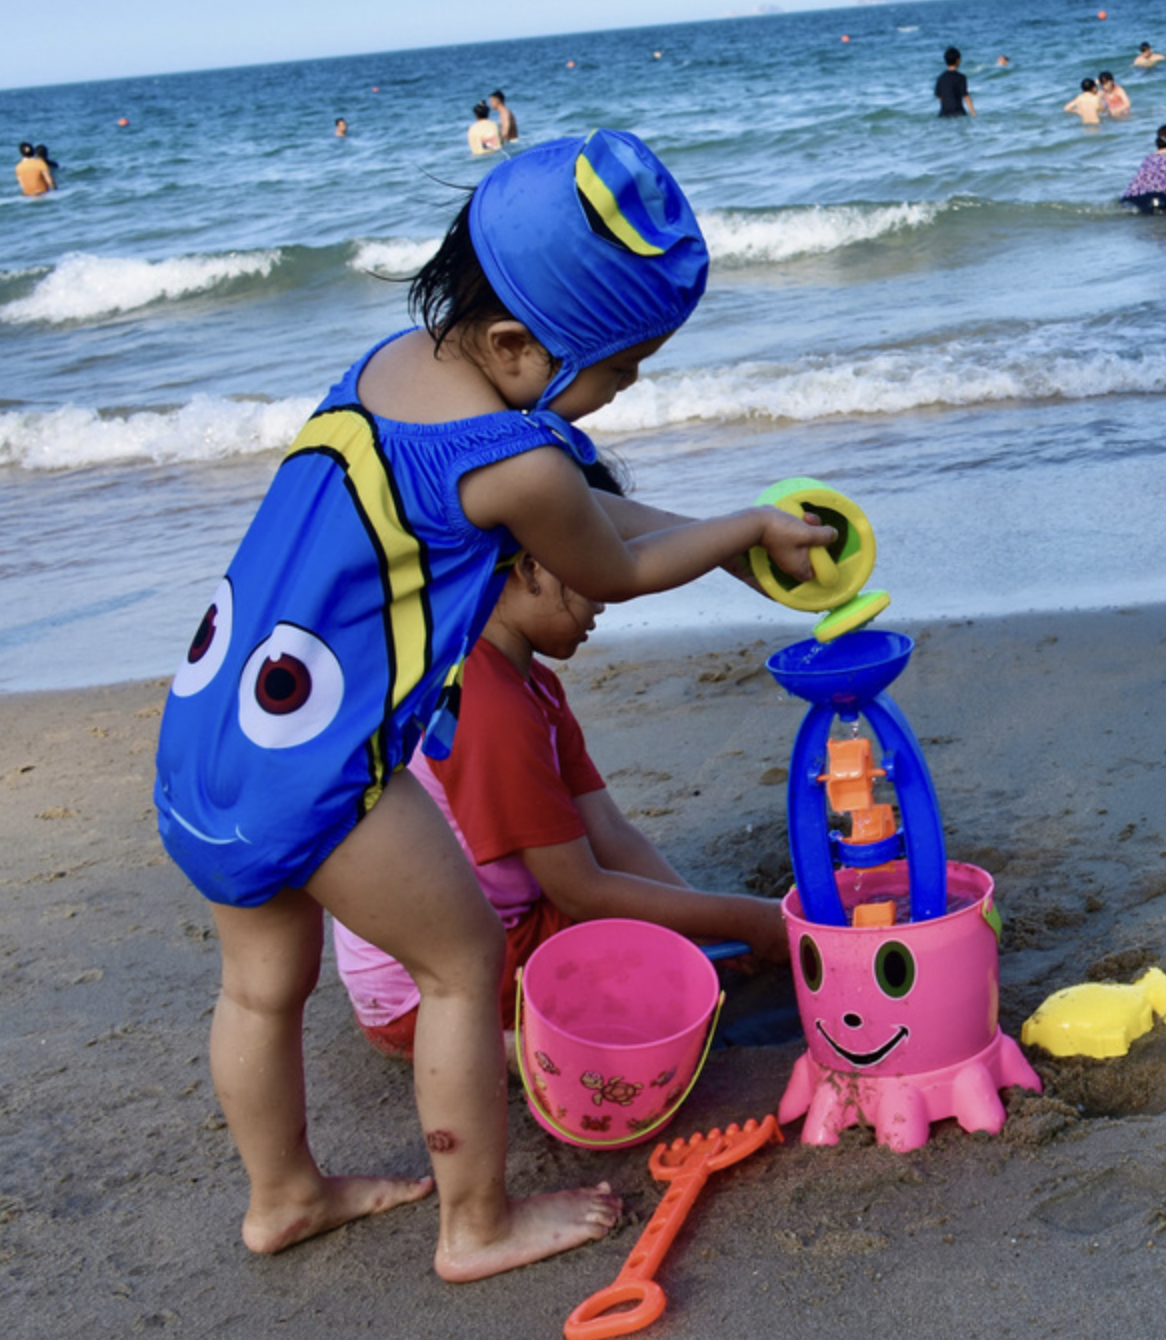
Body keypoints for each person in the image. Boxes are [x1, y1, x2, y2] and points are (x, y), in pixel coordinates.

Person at [149, 131, 836, 1281]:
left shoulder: (393, 366)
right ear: (519, 344)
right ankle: (475, 1223)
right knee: (463, 965)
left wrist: (718, 534)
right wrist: (742, 535)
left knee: (261, 988)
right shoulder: (519, 465)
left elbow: (581, 514)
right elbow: (605, 563)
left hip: (213, 728)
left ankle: (283, 1198)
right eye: (619, 369)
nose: (624, 391)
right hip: (332, 771)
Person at [331, 482, 788, 1063]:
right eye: (590, 571)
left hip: (502, 925)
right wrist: (748, 919)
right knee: (675, 987)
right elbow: (581, 888)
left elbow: (611, 834)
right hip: (434, 982)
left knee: (691, 946)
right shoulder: (487, 700)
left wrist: (717, 923)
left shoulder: (532, 683)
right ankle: (495, 1048)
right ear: (529, 569)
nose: (604, 598)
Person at [934, 47, 974, 118]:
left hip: (944, 114)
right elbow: (966, 96)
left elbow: (939, 97)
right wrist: (973, 113)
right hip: (958, 112)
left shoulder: (940, 78)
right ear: (957, 60)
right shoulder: (961, 77)